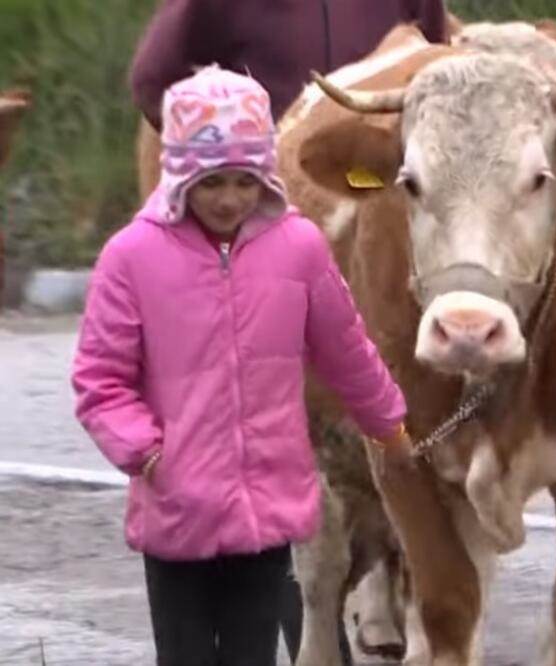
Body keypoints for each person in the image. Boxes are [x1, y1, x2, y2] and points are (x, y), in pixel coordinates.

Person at [71, 66, 414, 666]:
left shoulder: (299, 247)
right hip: (177, 514)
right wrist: (148, 452)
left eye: (244, 180)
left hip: (268, 510)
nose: (229, 199)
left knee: (250, 657)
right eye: (211, 183)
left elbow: (347, 350)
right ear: (180, 174)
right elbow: (99, 382)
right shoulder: (131, 257)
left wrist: (389, 424)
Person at [129, 0, 448, 130]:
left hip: (374, 180)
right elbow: (154, 78)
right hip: (269, 200)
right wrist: (225, 160)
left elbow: (436, 71)